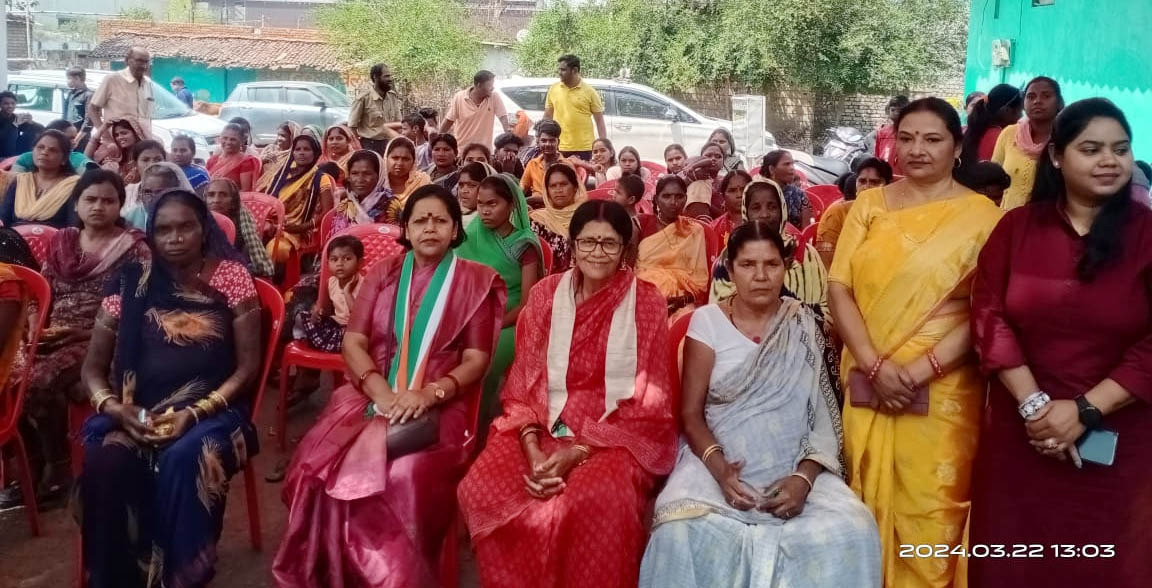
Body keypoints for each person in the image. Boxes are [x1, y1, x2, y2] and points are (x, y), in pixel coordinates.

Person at [273, 185, 505, 586]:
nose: (429, 228)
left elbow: (476, 360)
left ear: (455, 230)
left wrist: (430, 393)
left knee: (402, 473)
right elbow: (354, 342)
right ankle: (334, 570)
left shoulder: (475, 280)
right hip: (369, 391)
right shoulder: (383, 274)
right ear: (407, 229)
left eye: (440, 220)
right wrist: (380, 391)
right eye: (420, 220)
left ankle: (391, 577)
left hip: (439, 403)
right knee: (318, 462)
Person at [969, 98, 1152, 587]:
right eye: (1091, 149)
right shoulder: (1016, 230)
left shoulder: (1147, 235)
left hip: (1121, 445)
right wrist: (1036, 408)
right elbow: (988, 316)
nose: (1109, 161)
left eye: (1121, 149)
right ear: (1055, 156)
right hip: (1022, 436)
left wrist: (1086, 410)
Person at [639, 221, 881, 588]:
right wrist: (722, 471)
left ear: (786, 267)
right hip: (717, 461)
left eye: (771, 264)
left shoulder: (804, 323)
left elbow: (822, 417)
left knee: (855, 528)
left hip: (794, 463)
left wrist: (803, 479)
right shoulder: (707, 322)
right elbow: (691, 413)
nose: (761, 276)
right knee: (678, 529)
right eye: (748, 265)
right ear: (730, 268)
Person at [827, 97, 1003, 587]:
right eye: (906, 138)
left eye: (932, 139)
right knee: (862, 505)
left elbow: (983, 310)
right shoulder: (867, 207)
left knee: (932, 508)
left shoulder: (984, 218)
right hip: (868, 380)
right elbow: (838, 288)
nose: (917, 150)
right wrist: (874, 366)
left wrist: (920, 371)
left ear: (958, 146)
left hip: (943, 388)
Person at [459, 199, 676, 588]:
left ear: (625, 250)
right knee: (479, 486)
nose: (597, 252)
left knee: (599, 500)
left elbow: (649, 396)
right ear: (573, 246)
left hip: (614, 434)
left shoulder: (646, 301)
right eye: (587, 242)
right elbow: (522, 382)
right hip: (540, 422)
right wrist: (534, 452)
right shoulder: (545, 294)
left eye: (609, 243)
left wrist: (576, 453)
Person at [77, 189, 260, 588]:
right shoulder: (129, 282)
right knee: (106, 463)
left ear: (203, 230)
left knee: (186, 457)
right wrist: (116, 409)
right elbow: (92, 368)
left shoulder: (230, 276)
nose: (175, 238)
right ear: (151, 234)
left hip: (214, 411)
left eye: (185, 227)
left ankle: (180, 576)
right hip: (137, 412)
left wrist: (195, 413)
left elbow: (248, 368)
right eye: (163, 230)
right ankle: (117, 577)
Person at [0, 170, 149, 511]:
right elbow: (44, 291)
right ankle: (29, 467)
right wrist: (35, 326)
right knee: (9, 375)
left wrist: (85, 333)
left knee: (37, 382)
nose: (99, 207)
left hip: (104, 338)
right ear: (77, 204)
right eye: (90, 199)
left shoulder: (134, 249)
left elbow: (140, 310)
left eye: (108, 200)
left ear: (120, 205)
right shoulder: (63, 241)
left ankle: (59, 468)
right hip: (54, 334)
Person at [456, 173, 543, 428]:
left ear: (511, 204)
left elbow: (527, 303)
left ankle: (476, 424)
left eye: (492, 204)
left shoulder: (524, 244)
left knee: (484, 361)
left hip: (511, 320)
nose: (484, 211)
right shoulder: (471, 234)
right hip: (470, 314)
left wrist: (494, 324)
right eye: (480, 204)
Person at [710, 179, 827, 319]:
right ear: (746, 212)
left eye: (772, 207)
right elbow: (719, 312)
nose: (764, 214)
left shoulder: (805, 253)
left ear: (782, 210)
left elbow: (825, 306)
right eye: (756, 208)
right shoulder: (732, 253)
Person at [636, 174, 709, 316]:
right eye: (666, 196)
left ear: (686, 199)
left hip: (681, 301)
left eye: (679, 196)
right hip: (643, 296)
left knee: (684, 317)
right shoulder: (641, 224)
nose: (673, 202)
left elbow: (699, 281)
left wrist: (680, 301)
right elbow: (629, 271)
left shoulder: (694, 231)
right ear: (656, 199)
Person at [994, 76, 1065, 210]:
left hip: (1049, 218)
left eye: (1046, 96)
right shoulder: (1009, 133)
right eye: (1031, 97)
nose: (1037, 101)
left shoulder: (1066, 138)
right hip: (1007, 217)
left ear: (1059, 102)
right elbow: (993, 180)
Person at [265, 134, 335, 263]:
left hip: (297, 229)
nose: (301, 153)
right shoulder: (281, 176)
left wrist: (302, 227)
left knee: (277, 249)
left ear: (315, 153)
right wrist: (269, 223)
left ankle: (274, 276)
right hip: (271, 223)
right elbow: (267, 200)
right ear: (293, 153)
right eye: (298, 149)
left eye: (306, 149)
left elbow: (327, 210)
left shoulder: (321, 178)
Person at [815, 157, 893, 268]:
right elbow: (826, 262)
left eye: (874, 182)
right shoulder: (838, 213)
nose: (866, 187)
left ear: (888, 186)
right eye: (862, 181)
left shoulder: (896, 213)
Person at [294, 235, 365, 353]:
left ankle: (321, 345)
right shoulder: (331, 282)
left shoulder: (365, 284)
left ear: (360, 263)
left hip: (353, 330)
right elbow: (326, 310)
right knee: (301, 317)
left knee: (350, 338)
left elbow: (360, 318)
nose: (340, 264)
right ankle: (305, 344)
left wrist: (347, 293)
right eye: (334, 259)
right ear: (328, 263)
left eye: (347, 259)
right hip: (336, 324)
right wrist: (317, 311)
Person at [0, 130, 80, 228]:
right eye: (40, 147)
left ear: (64, 159)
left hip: (54, 237)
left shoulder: (73, 185)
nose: (44, 152)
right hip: (14, 236)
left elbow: (73, 226)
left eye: (53, 150)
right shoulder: (21, 181)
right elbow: (3, 219)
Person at [204, 178, 275, 277]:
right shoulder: (200, 220)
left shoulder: (242, 227)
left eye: (223, 195)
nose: (216, 200)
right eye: (211, 195)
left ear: (233, 202)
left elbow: (251, 265)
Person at [543, 55, 606, 159]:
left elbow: (599, 120)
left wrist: (603, 144)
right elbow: (547, 116)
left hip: (584, 148)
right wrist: (543, 138)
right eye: (559, 69)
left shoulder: (590, 92)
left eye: (563, 70)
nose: (559, 73)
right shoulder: (554, 89)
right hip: (558, 146)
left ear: (575, 70)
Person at [529, 163, 588, 274]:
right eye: (553, 186)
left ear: (575, 187)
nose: (558, 190)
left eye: (564, 184)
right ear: (547, 191)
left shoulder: (589, 218)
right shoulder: (537, 221)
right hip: (547, 280)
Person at [88, 47, 153, 134]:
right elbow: (92, 109)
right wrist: (105, 136)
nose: (144, 66)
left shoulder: (148, 82)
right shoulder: (112, 79)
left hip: (143, 139)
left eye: (146, 62)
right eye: (139, 61)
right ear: (127, 61)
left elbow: (148, 115)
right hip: (118, 139)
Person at [442, 70, 511, 149]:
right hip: (462, 150)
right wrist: (438, 139)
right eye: (490, 85)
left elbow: (502, 116)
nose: (492, 88)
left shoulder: (494, 97)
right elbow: (449, 120)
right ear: (479, 85)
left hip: (484, 151)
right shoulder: (459, 97)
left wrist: (508, 135)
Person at [330, 149, 392, 234]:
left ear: (379, 175)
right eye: (354, 173)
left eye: (367, 173)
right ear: (349, 176)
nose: (360, 179)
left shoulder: (390, 205)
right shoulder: (345, 205)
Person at [122, 161, 194, 231]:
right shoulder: (130, 218)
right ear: (141, 193)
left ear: (175, 193)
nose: (153, 199)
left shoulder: (189, 219)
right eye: (147, 192)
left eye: (161, 192)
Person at [960, 84, 1022, 165]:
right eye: (1020, 111)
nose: (1021, 116)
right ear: (1007, 110)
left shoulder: (967, 130)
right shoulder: (1003, 137)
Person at [348, 62, 403, 154]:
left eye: (390, 76)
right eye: (386, 76)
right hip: (370, 146)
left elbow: (398, 122)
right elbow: (352, 127)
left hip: (390, 144)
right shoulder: (363, 99)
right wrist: (358, 148)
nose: (390, 79)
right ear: (375, 77)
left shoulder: (392, 97)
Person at [12, 119, 95, 174]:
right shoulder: (26, 159)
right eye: (70, 138)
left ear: (63, 160)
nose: (74, 142)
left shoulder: (78, 159)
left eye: (74, 138)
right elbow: (13, 185)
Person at [381, 137, 432, 222]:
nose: (399, 163)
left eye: (406, 159)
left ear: (414, 161)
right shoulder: (377, 183)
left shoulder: (423, 182)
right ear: (386, 158)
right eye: (395, 158)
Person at [760, 150, 811, 227]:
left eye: (792, 164)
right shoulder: (757, 194)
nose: (792, 168)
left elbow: (807, 229)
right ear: (772, 169)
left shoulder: (800, 195)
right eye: (787, 164)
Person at [86, 118, 146, 183]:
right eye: (116, 135)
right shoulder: (116, 157)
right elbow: (85, 161)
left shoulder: (146, 156)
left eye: (124, 133)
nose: (120, 137)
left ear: (136, 133)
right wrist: (102, 128)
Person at [207, 123, 261, 191]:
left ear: (241, 141)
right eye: (225, 138)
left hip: (235, 197)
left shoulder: (246, 162)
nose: (228, 142)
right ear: (220, 139)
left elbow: (245, 191)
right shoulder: (212, 160)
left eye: (233, 139)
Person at [520, 119, 567, 198]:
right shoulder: (532, 164)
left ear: (558, 142)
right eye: (544, 141)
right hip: (533, 205)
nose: (547, 144)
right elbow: (523, 187)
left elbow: (565, 196)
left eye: (552, 141)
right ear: (538, 142)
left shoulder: (566, 165)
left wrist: (532, 200)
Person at [864, 95, 909, 175]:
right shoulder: (882, 132)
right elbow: (877, 156)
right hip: (885, 175)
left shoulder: (912, 132)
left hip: (905, 177)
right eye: (893, 110)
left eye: (899, 110)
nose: (896, 113)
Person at [612, 174, 650, 266]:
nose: (613, 195)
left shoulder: (631, 226)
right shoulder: (621, 217)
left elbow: (630, 258)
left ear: (631, 200)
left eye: (618, 193)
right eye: (614, 190)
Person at [256, 121, 301, 193]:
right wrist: (262, 160)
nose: (279, 138)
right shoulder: (270, 148)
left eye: (283, 136)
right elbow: (254, 167)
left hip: (279, 190)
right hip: (259, 188)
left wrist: (276, 165)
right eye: (278, 135)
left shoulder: (294, 156)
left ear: (292, 138)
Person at [710, 169, 752, 243]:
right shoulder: (714, 228)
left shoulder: (764, 221)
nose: (739, 195)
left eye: (744, 189)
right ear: (723, 196)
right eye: (732, 190)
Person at [0, 91, 43, 158]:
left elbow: (41, 129)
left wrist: (31, 122)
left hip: (15, 153)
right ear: (0, 104)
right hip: (2, 152)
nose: (10, 106)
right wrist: (15, 125)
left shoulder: (15, 117)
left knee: (31, 133)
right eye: (6, 103)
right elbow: (4, 136)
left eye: (13, 103)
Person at [457, 161, 494, 227]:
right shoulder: (451, 213)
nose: (464, 191)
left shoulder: (491, 221)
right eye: (461, 185)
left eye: (472, 185)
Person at [63, 66, 94, 132]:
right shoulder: (70, 93)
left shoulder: (88, 95)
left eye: (69, 78)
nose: (67, 81)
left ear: (77, 78)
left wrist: (78, 136)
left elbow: (89, 121)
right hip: (68, 132)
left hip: (79, 134)